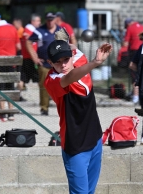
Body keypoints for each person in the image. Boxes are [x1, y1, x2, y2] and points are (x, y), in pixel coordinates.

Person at [44, 39, 112, 194]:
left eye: (66, 59)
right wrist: (95, 62)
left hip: (95, 139)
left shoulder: (78, 58)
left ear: (72, 56)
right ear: (50, 62)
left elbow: (74, 49)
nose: (63, 65)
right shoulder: (53, 80)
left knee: (90, 192)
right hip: (75, 145)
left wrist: (67, 42)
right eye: (57, 61)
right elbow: (70, 77)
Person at [27, 12, 61, 116]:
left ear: (55, 19)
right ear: (46, 20)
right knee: (44, 85)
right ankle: (44, 108)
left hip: (58, 63)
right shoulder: (39, 30)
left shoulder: (60, 30)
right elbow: (28, 42)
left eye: (52, 19)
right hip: (44, 63)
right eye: (48, 20)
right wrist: (34, 58)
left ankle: (62, 107)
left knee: (61, 85)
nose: (50, 22)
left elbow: (67, 42)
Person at [17, 14, 41, 102]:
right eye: (38, 21)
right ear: (32, 21)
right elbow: (30, 45)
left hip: (25, 58)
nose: (39, 23)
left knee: (23, 78)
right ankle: (46, 96)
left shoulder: (26, 30)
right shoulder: (30, 30)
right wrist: (35, 57)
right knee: (39, 78)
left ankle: (17, 95)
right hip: (32, 58)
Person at [123, 18, 143, 105]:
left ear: (128, 24)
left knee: (134, 74)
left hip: (134, 52)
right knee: (142, 73)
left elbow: (126, 43)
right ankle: (138, 94)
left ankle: (136, 97)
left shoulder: (130, 28)